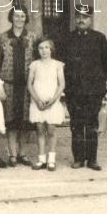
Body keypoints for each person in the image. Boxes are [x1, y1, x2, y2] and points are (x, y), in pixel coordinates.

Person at [63, 4, 107, 171]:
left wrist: (96, 83)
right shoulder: (68, 38)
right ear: (75, 19)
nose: (81, 20)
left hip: (93, 91)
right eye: (78, 17)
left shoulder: (99, 38)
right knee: (76, 124)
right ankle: (78, 159)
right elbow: (61, 65)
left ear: (90, 19)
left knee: (92, 125)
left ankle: (92, 159)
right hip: (73, 91)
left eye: (85, 17)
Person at [0, 5, 37, 167]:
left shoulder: (32, 37)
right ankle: (12, 154)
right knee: (11, 121)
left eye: (22, 16)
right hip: (9, 85)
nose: (19, 19)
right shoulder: (3, 37)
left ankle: (23, 153)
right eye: (16, 16)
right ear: (11, 17)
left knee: (25, 122)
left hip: (27, 86)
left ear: (26, 18)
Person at [27, 37, 66, 171]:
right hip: (38, 101)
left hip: (51, 101)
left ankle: (51, 160)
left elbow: (61, 84)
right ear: (37, 50)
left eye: (46, 48)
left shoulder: (58, 65)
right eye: (41, 48)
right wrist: (37, 100)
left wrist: (53, 100)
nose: (44, 51)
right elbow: (29, 85)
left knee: (51, 130)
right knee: (40, 130)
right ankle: (41, 159)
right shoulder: (34, 65)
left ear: (51, 49)